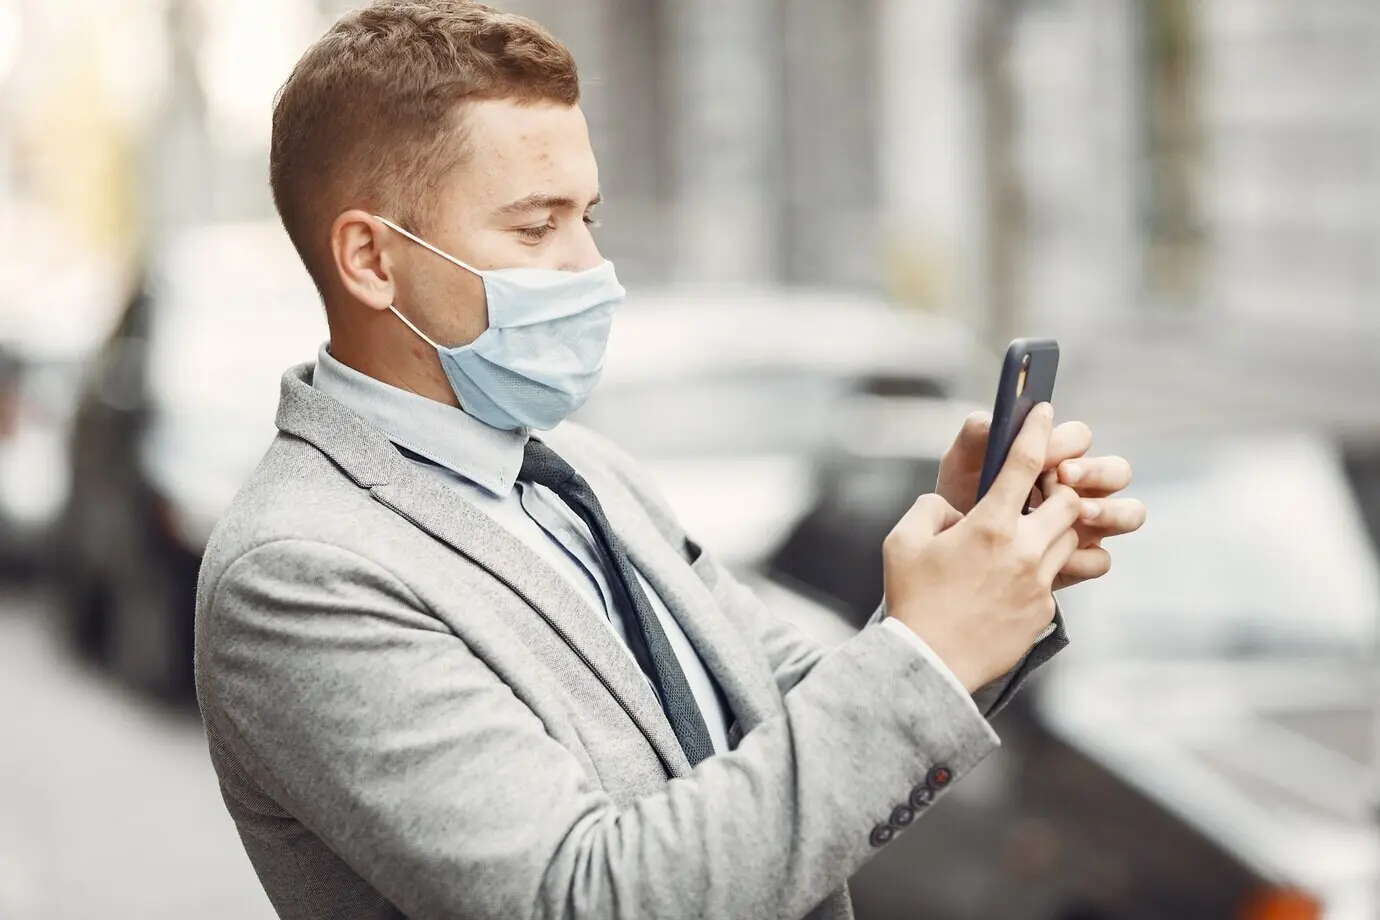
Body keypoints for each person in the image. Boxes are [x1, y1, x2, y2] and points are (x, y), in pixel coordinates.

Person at [194, 3, 1146, 919]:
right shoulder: (299, 570)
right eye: (535, 226)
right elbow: (586, 897)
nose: (589, 269)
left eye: (589, 218)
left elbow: (800, 733)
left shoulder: (583, 473)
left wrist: (973, 587)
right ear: (369, 259)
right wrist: (929, 650)